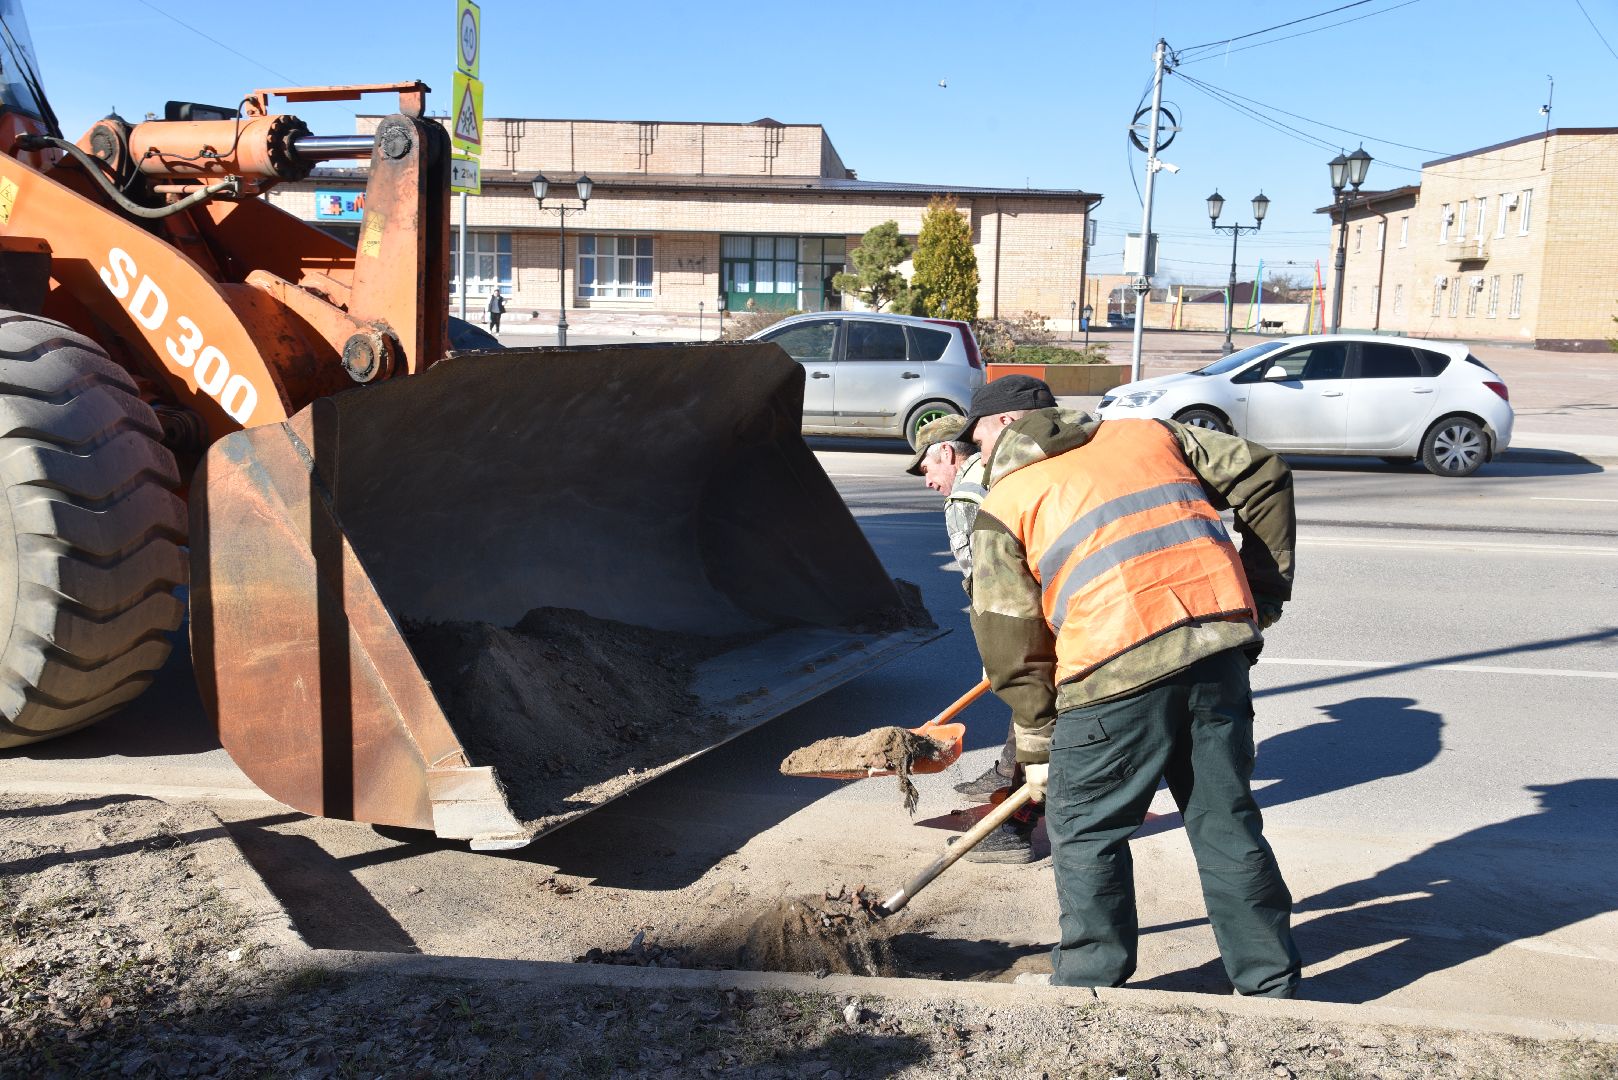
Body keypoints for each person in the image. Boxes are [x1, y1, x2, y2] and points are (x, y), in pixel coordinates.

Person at [962, 378, 1302, 997]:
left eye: (976, 433)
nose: (972, 449)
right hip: (1213, 649)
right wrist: (1261, 592)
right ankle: (1269, 982)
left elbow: (1012, 644)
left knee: (1087, 829)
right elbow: (1266, 473)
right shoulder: (1149, 434)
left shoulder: (1006, 502)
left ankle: (1091, 984)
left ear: (1006, 423)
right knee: (1224, 820)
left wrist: (1037, 749)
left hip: (1112, 671)